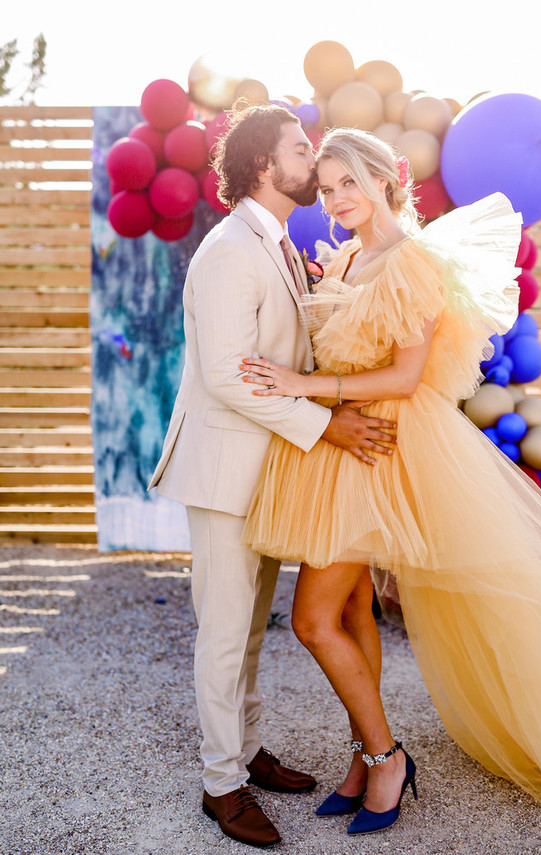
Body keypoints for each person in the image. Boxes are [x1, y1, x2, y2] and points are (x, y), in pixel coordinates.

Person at [241, 127, 541, 834]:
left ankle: (388, 756)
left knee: (311, 619)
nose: (337, 199)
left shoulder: (411, 261)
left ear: (387, 177)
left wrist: (303, 383)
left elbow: (404, 375)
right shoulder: (349, 256)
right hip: (338, 445)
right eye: (327, 189)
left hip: (384, 446)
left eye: (349, 183)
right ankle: (366, 754)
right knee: (353, 611)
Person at [148, 107, 396, 848]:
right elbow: (228, 375)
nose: (311, 160)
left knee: (249, 628)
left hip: (267, 472)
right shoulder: (230, 249)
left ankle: (247, 749)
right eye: (299, 149)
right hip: (227, 468)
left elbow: (285, 353)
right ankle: (220, 783)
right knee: (223, 633)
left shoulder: (279, 242)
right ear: (263, 164)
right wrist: (328, 425)